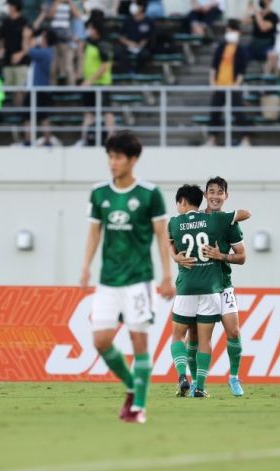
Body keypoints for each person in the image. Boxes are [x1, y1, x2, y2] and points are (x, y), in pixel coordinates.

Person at [80, 131, 174, 424]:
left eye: (118, 157)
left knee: (139, 343)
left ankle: (139, 408)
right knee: (101, 341)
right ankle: (132, 386)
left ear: (133, 160)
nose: (113, 162)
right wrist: (85, 266)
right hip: (108, 280)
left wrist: (167, 275)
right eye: (110, 156)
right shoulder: (99, 193)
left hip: (138, 279)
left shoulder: (149, 194)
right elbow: (95, 232)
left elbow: (161, 235)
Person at [172, 177, 250, 397]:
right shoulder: (193, 218)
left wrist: (221, 256)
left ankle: (234, 377)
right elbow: (173, 242)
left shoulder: (229, 223)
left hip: (223, 286)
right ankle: (198, 384)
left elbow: (242, 257)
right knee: (194, 337)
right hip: (199, 286)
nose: (215, 196)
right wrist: (175, 258)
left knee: (233, 331)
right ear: (205, 195)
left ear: (226, 196)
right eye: (212, 192)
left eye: (220, 192)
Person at [206, 19, 250, 147]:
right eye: (228, 30)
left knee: (239, 113)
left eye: (232, 30)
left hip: (232, 86)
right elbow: (214, 66)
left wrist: (237, 84)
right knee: (214, 112)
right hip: (220, 85)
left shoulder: (241, 50)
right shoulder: (221, 47)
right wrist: (212, 82)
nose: (229, 33)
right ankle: (211, 139)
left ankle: (246, 139)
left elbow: (242, 70)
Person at [78, 19, 115, 146]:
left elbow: (105, 66)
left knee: (107, 112)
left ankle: (112, 141)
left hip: (101, 84)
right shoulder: (89, 44)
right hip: (89, 85)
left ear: (96, 30)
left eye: (90, 28)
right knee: (89, 113)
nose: (88, 31)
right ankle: (83, 140)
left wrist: (90, 81)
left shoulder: (103, 44)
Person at [0, 0, 32, 107]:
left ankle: (22, 112)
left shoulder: (25, 22)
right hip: (8, 59)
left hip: (21, 61)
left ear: (14, 7)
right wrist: (2, 49)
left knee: (20, 88)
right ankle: (16, 109)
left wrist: (21, 54)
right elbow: (2, 39)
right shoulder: (5, 22)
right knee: (11, 89)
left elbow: (29, 42)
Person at [117, 0, 153, 74]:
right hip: (129, 45)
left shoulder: (148, 21)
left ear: (141, 7)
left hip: (142, 47)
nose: (133, 7)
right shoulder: (128, 20)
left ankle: (138, 71)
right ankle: (128, 71)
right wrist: (129, 43)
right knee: (119, 53)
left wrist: (142, 43)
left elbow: (150, 36)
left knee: (145, 54)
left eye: (136, 5)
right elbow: (121, 36)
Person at [245, 0, 279, 64]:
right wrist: (249, 8)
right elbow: (245, 21)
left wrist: (257, 14)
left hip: (266, 46)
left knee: (271, 55)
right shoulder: (256, 15)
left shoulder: (273, 16)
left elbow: (263, 27)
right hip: (254, 45)